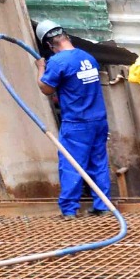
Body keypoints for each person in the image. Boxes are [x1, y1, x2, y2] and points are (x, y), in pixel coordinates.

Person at [36, 20, 113, 218]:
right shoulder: (87, 57)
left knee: (71, 164)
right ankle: (103, 205)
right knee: (98, 162)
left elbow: (46, 88)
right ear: (67, 36)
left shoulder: (58, 62)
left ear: (49, 45)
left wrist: (40, 68)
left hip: (77, 123)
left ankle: (69, 210)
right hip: (99, 120)